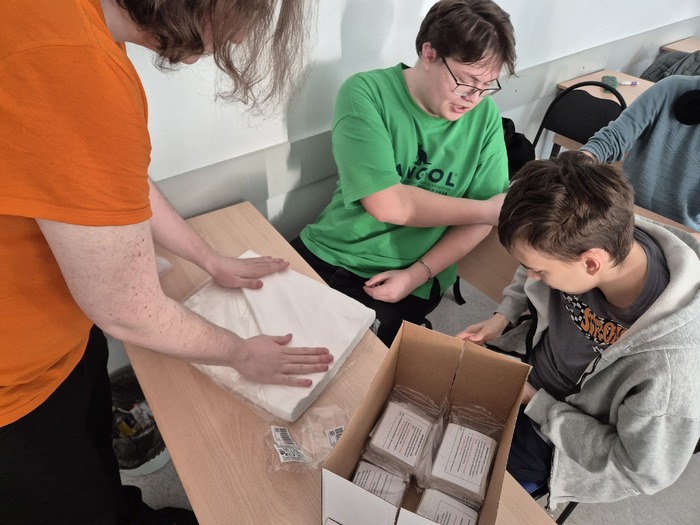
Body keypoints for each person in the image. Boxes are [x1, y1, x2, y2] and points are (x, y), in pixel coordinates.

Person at [0, 1, 331, 523]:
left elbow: (115, 180)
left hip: (58, 343)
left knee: (99, 470)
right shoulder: (73, 64)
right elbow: (127, 310)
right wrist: (240, 353)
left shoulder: (70, 20)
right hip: (14, 391)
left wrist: (208, 258)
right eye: (241, 14)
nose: (238, 40)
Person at [457, 152, 700, 508]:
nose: (531, 276)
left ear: (591, 263)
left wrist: (536, 402)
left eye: (540, 271)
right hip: (525, 368)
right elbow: (535, 255)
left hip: (563, 436)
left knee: (462, 480)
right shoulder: (593, 234)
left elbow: (638, 469)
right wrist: (504, 315)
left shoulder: (672, 368)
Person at [291, 0, 516, 346]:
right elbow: (387, 204)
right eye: (466, 82)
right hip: (331, 249)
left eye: (487, 86)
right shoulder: (366, 92)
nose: (474, 98)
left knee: (347, 363)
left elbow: (482, 221)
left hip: (413, 272)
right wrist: (486, 210)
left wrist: (416, 275)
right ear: (429, 54)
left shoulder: (484, 116)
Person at [580, 74, 700, 240]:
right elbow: (615, 136)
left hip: (683, 235)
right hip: (621, 213)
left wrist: (678, 242)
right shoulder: (671, 87)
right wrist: (579, 160)